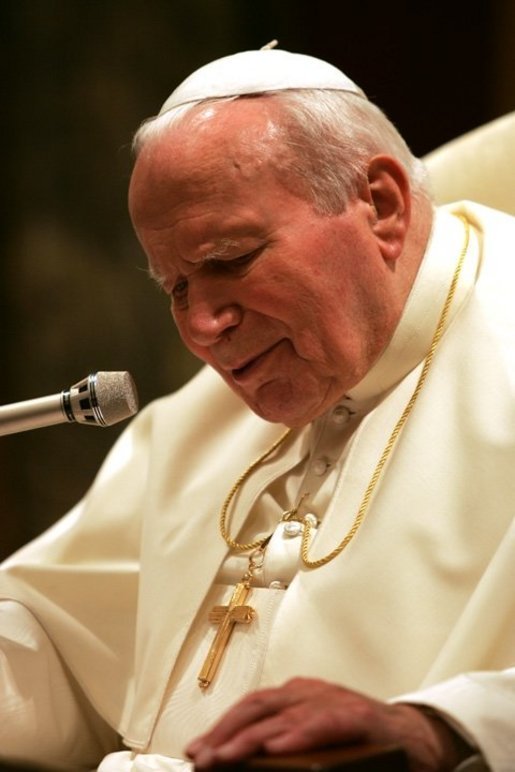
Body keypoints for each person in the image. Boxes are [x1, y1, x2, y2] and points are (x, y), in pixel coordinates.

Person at [0, 44, 514, 772]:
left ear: (381, 206)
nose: (203, 328)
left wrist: (439, 727)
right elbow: (62, 645)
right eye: (175, 287)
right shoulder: (204, 417)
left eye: (229, 260)